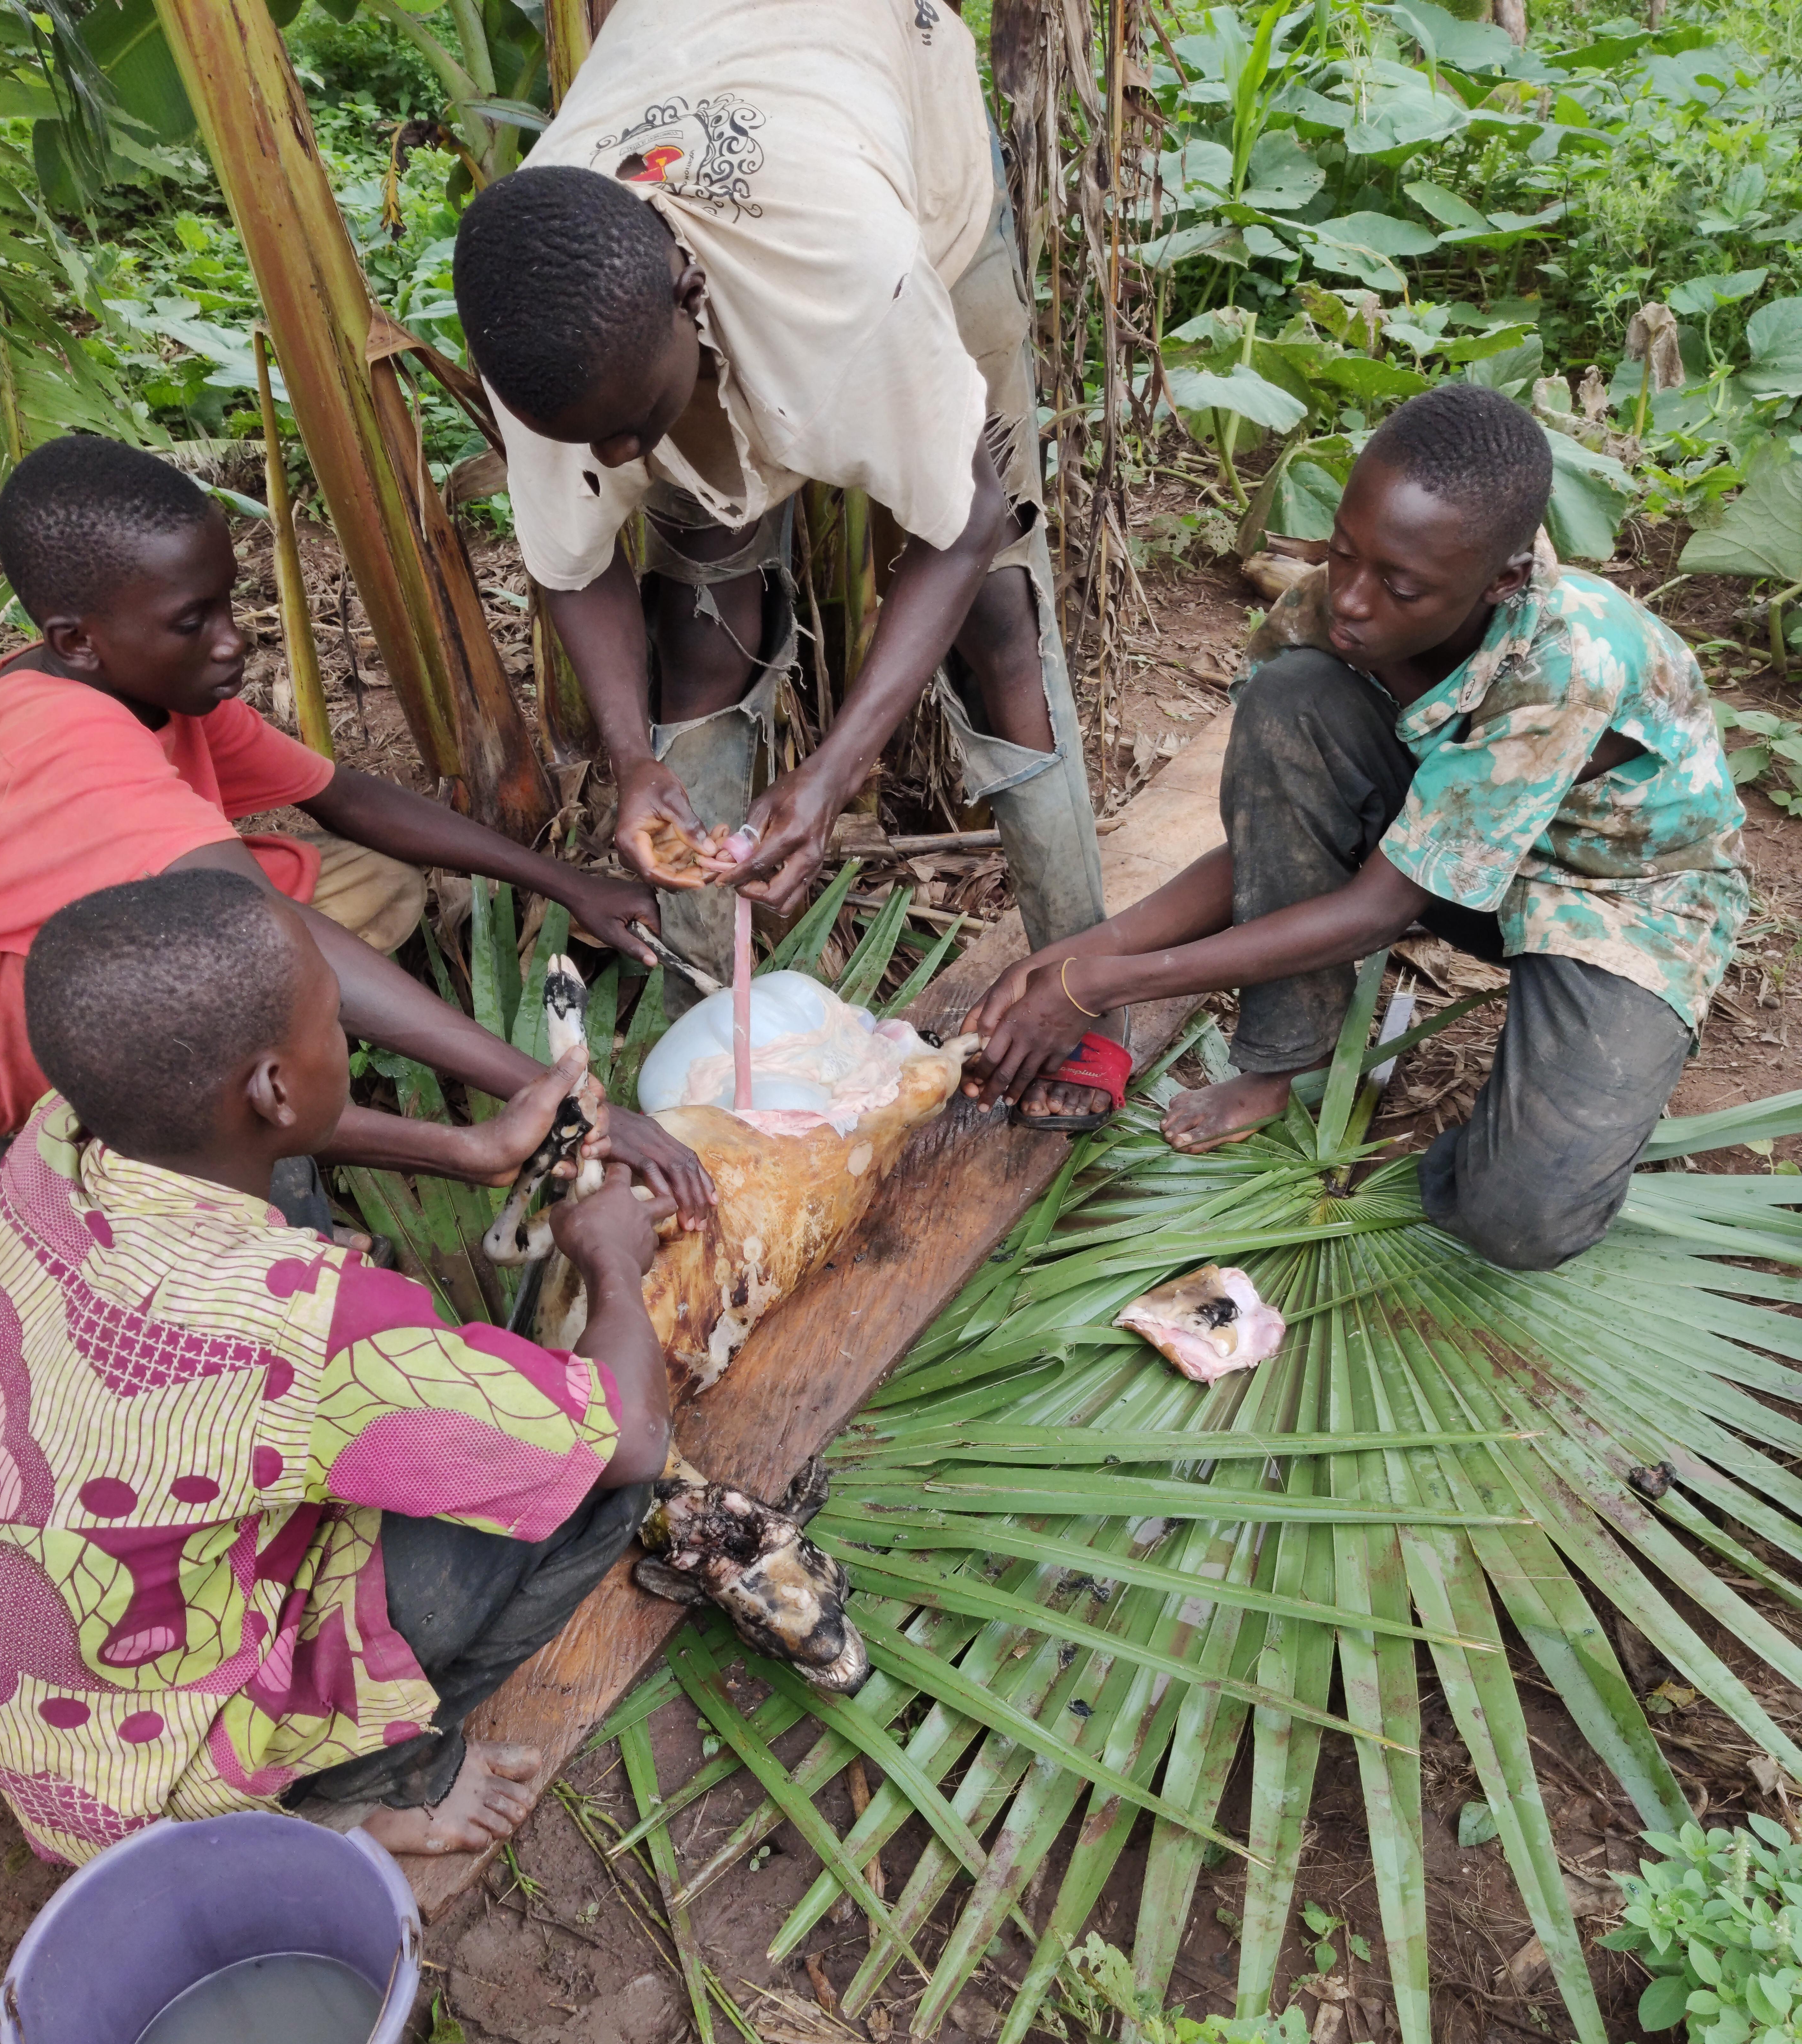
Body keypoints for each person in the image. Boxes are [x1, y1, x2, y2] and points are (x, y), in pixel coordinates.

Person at [0, 867, 675, 1867]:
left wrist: (466, 1147)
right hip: (151, 1799)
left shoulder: (68, 1131)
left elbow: (271, 1121)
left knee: (281, 1172)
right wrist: (612, 1256)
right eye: (332, 1028)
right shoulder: (318, 1331)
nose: (342, 1045)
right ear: (273, 1084)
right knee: (593, 1484)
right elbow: (629, 1430)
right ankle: (372, 1792)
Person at [450, 0, 1110, 1085]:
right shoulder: (547, 335)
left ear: (689, 296)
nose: (616, 454)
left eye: (629, 423)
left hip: (901, 141)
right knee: (700, 627)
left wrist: (834, 772)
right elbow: (574, 562)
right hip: (706, 95)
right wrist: (630, 761)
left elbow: (967, 518)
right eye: (589, 439)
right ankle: (704, 1027)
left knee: (996, 617)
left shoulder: (858, 279)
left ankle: (1083, 999)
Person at [960, 383, 1748, 1269]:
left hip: (1615, 895)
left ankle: (1546, 1118)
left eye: (1400, 586)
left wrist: (1101, 987)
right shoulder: (1334, 609)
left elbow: (1377, 909)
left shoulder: (1567, 664)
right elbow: (1277, 837)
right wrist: (1077, 960)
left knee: (1520, 1221)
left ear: (1503, 580)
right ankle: (1278, 1062)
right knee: (1291, 697)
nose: (1352, 603)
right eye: (1342, 555)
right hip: (1440, 855)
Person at [0, 431, 706, 1233]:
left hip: (27, 951)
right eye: (193, 621)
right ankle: (87, 1140)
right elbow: (261, 936)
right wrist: (557, 1092)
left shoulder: (133, 681)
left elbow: (345, 798)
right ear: (78, 639)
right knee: (225, 999)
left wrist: (570, 885)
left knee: (369, 888)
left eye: (227, 600)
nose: (232, 638)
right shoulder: (65, 744)